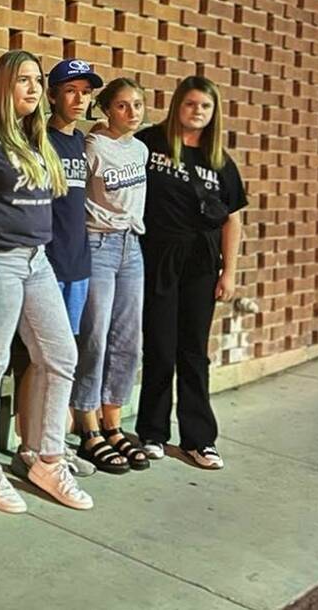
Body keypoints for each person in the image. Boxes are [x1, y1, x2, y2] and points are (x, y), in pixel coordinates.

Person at [0, 51, 92, 514]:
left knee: (61, 355)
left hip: (37, 262)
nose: (34, 89)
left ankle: (49, 459)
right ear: (3, 85)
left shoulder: (38, 137)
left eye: (38, 80)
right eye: (23, 80)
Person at [135, 75, 247, 469]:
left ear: (213, 113)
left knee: (193, 353)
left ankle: (199, 439)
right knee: (160, 348)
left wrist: (228, 272)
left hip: (201, 264)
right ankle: (151, 432)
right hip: (158, 257)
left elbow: (233, 220)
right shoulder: (151, 143)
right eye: (191, 104)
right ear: (177, 105)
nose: (197, 112)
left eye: (205, 106)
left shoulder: (221, 162)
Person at [9, 59, 102, 484]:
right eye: (71, 90)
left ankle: (53, 446)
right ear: (52, 95)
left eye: (86, 92)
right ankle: (29, 448)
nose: (79, 99)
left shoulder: (81, 141)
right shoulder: (37, 135)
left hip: (78, 262)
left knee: (63, 358)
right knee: (37, 359)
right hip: (43, 262)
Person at [70, 78, 151, 474]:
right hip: (98, 244)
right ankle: (87, 427)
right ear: (105, 108)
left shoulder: (140, 148)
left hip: (131, 245)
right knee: (96, 337)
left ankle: (113, 422)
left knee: (128, 339)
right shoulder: (92, 147)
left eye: (137, 104)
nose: (132, 113)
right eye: (122, 106)